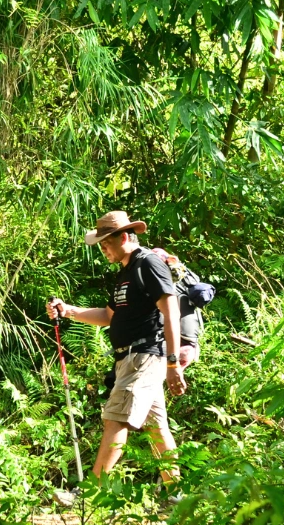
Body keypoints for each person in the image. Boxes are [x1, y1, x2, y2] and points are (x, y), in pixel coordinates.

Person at [47, 211, 185, 497]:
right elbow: (109, 315)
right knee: (156, 428)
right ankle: (178, 495)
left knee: (116, 419)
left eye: (106, 243)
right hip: (129, 359)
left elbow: (170, 311)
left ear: (124, 237)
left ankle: (90, 494)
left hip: (144, 356)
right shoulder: (126, 271)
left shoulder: (148, 264)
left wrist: (173, 363)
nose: (103, 249)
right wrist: (68, 310)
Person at [150, 249, 205, 371]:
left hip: (175, 347)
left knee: (165, 380)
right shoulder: (185, 280)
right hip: (191, 345)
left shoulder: (163, 286)